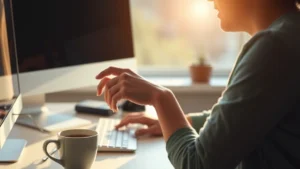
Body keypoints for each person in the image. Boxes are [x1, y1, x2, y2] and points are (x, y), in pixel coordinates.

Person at [95, 0, 300, 168]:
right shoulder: (290, 33)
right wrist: (179, 122)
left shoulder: (274, 47)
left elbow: (197, 164)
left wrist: (160, 98)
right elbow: (246, 119)